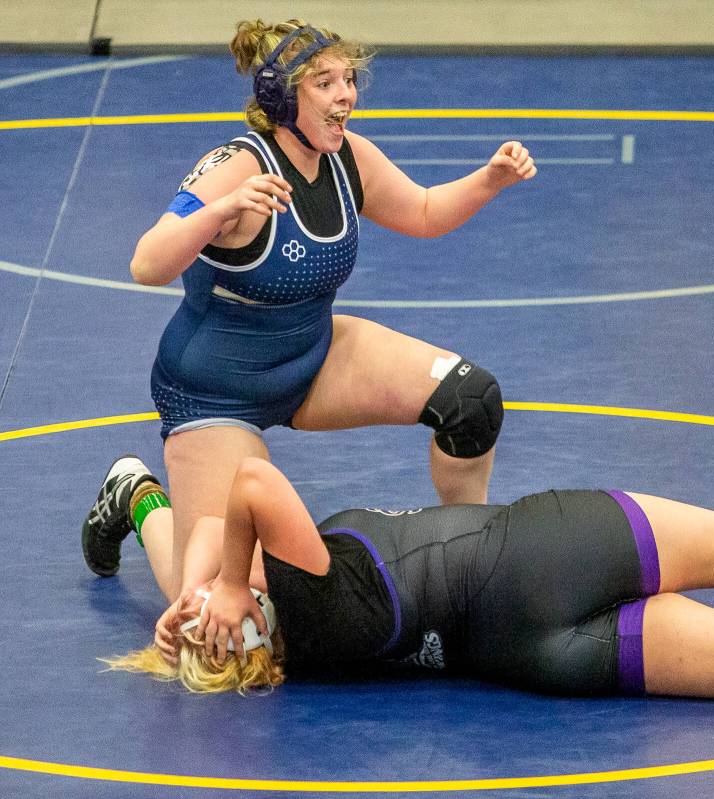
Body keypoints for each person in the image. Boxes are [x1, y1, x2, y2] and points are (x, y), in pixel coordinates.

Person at [94, 455, 714, 771]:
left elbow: (206, 532)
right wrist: (219, 581)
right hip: (544, 550)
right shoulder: (305, 576)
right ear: (256, 605)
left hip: (529, 653)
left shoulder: (309, 648)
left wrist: (194, 597)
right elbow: (242, 491)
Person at [84, 19, 536, 600]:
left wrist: (489, 180)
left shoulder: (348, 157)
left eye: (349, 79)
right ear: (280, 96)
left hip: (312, 357)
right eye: (325, 82)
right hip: (215, 392)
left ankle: (473, 565)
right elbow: (147, 264)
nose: (346, 94)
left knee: (470, 403)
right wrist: (217, 211)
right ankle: (136, 496)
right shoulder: (236, 166)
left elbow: (422, 212)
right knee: (212, 598)